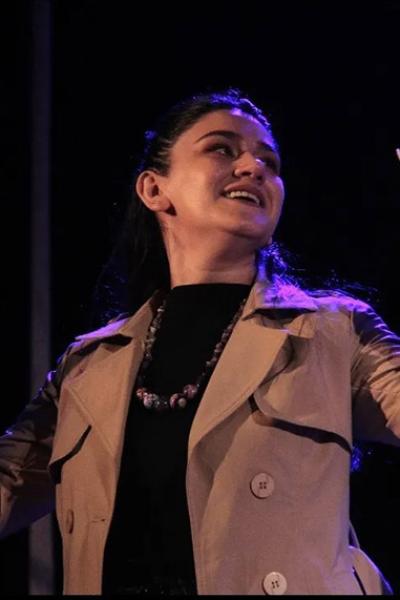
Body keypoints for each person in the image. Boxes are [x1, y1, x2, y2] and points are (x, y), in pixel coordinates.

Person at [0, 88, 399, 596]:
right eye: (222, 149)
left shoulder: (338, 333)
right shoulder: (85, 367)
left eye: (270, 162)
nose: (253, 168)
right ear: (154, 189)